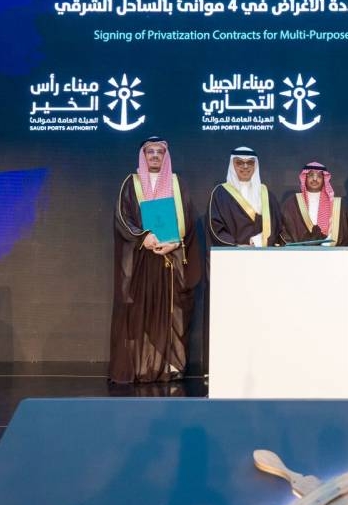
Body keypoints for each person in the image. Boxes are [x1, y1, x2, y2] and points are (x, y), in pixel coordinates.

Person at [110, 136, 201, 384]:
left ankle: (169, 365)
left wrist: (175, 242)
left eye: (159, 152)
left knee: (170, 313)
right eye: (149, 151)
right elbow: (122, 217)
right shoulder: (131, 183)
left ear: (165, 156)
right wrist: (144, 236)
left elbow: (187, 219)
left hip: (169, 260)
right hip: (140, 260)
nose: (154, 156)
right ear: (143, 155)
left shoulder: (176, 183)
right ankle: (141, 366)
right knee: (139, 311)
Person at [208, 146, 282, 247]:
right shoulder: (220, 194)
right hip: (231, 253)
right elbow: (215, 227)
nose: (245, 166)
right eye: (239, 162)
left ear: (255, 165)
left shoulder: (266, 194)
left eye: (250, 162)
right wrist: (236, 246)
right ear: (232, 165)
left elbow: (275, 225)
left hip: (262, 251)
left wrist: (258, 241)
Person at [280, 161, 348, 246]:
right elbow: (285, 230)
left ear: (324, 179)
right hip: (299, 251)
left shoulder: (338, 205)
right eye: (311, 175)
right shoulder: (292, 203)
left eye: (319, 176)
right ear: (304, 178)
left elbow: (344, 233)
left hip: (330, 251)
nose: (314, 179)